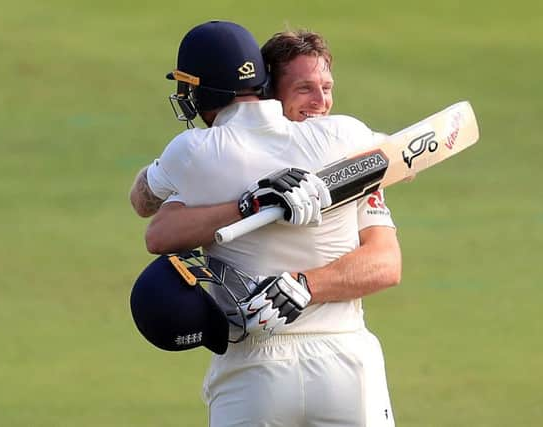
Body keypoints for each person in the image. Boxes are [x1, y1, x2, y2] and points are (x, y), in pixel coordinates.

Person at [130, 22, 401, 426]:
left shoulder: (195, 152)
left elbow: (143, 202)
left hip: (251, 368)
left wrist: (247, 206)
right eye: (307, 88)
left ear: (204, 90)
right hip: (347, 363)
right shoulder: (347, 137)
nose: (320, 100)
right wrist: (251, 204)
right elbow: (400, 162)